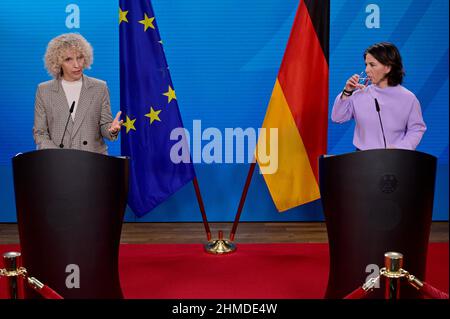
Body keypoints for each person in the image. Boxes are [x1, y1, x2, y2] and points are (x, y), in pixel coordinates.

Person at [33, 33, 122, 155]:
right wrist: (57, 154)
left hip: (93, 162)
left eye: (80, 57)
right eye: (68, 59)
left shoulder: (99, 87)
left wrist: (111, 129)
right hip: (58, 163)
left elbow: (104, 125)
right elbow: (40, 133)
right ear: (57, 62)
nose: (77, 64)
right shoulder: (44, 90)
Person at [331, 42, 426, 150]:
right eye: (366, 64)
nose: (367, 70)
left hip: (396, 158)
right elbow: (337, 118)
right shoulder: (359, 95)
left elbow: (416, 129)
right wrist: (347, 92)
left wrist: (402, 148)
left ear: (388, 67)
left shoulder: (409, 98)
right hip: (362, 159)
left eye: (372, 65)